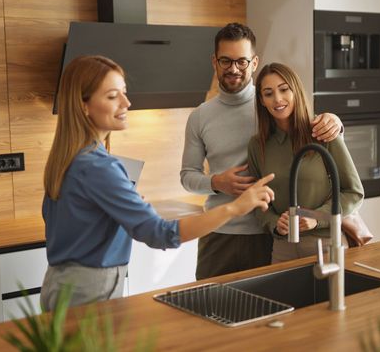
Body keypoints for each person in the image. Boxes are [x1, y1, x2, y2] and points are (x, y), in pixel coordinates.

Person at [40, 55, 275, 311]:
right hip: (88, 290)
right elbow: (162, 234)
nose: (126, 103)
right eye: (112, 96)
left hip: (61, 284)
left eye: (124, 92)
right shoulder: (98, 166)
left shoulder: (72, 158)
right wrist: (236, 207)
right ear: (83, 105)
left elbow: (81, 221)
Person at [181, 23, 343, 279]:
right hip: (217, 232)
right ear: (214, 62)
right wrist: (216, 182)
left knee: (267, 311)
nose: (234, 68)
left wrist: (336, 122)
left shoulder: (273, 104)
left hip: (267, 233)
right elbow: (187, 176)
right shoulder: (200, 117)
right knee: (208, 309)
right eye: (226, 61)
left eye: (242, 61)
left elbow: (309, 128)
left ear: (254, 63)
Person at [247, 62, 364, 263]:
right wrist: (276, 223)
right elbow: (257, 202)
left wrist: (316, 218)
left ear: (296, 91)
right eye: (268, 93)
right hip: (283, 248)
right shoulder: (258, 145)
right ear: (261, 100)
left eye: (284, 90)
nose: (277, 99)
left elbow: (354, 192)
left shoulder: (322, 131)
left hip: (327, 244)